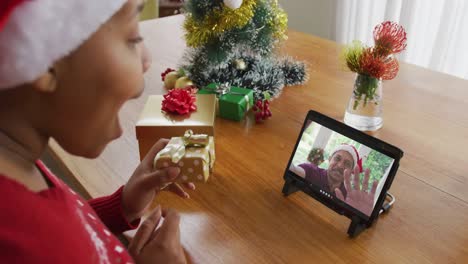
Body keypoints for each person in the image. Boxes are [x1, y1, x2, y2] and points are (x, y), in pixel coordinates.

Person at [0, 0, 193, 263]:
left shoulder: (17, 169)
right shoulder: (33, 243)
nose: (147, 60)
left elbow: (66, 233)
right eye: (133, 38)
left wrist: (121, 206)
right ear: (46, 59)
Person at [290, 144, 378, 216]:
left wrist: (362, 215)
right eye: (337, 158)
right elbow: (294, 170)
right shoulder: (310, 170)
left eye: (347, 164)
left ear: (351, 171)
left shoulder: (349, 196)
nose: (340, 165)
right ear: (329, 159)